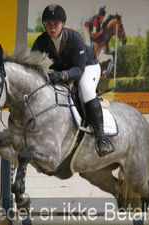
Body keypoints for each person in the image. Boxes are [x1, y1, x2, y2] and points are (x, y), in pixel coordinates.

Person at [31, 4, 114, 156]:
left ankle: (101, 137)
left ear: (62, 23)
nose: (52, 27)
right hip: (63, 69)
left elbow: (79, 70)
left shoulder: (75, 38)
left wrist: (62, 75)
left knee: (87, 91)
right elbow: (32, 65)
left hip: (87, 66)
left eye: (56, 24)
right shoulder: (41, 41)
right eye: (49, 24)